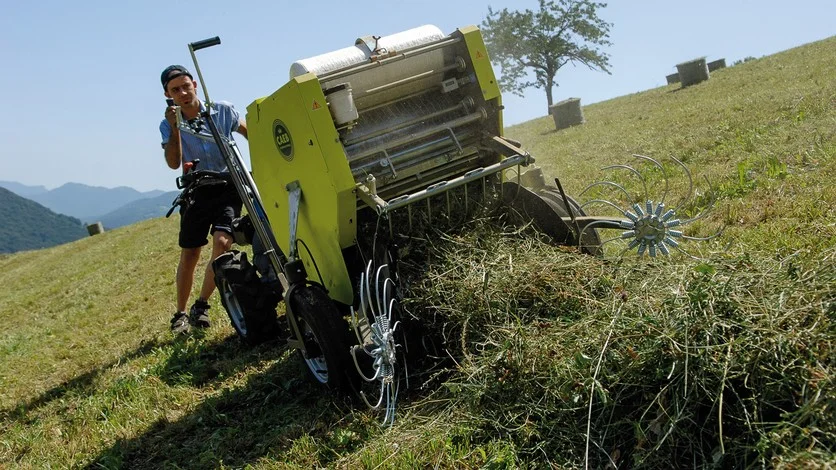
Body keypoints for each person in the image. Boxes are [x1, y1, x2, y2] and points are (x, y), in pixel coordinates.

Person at [159, 64, 248, 334]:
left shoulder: (221, 110)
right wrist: (175, 130)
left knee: (222, 243)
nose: (183, 93)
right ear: (167, 94)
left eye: (186, 86)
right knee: (191, 253)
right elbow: (173, 163)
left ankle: (202, 304)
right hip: (197, 190)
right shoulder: (168, 124)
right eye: (176, 90)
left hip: (228, 185)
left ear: (195, 85)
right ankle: (181, 314)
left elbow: (249, 133)